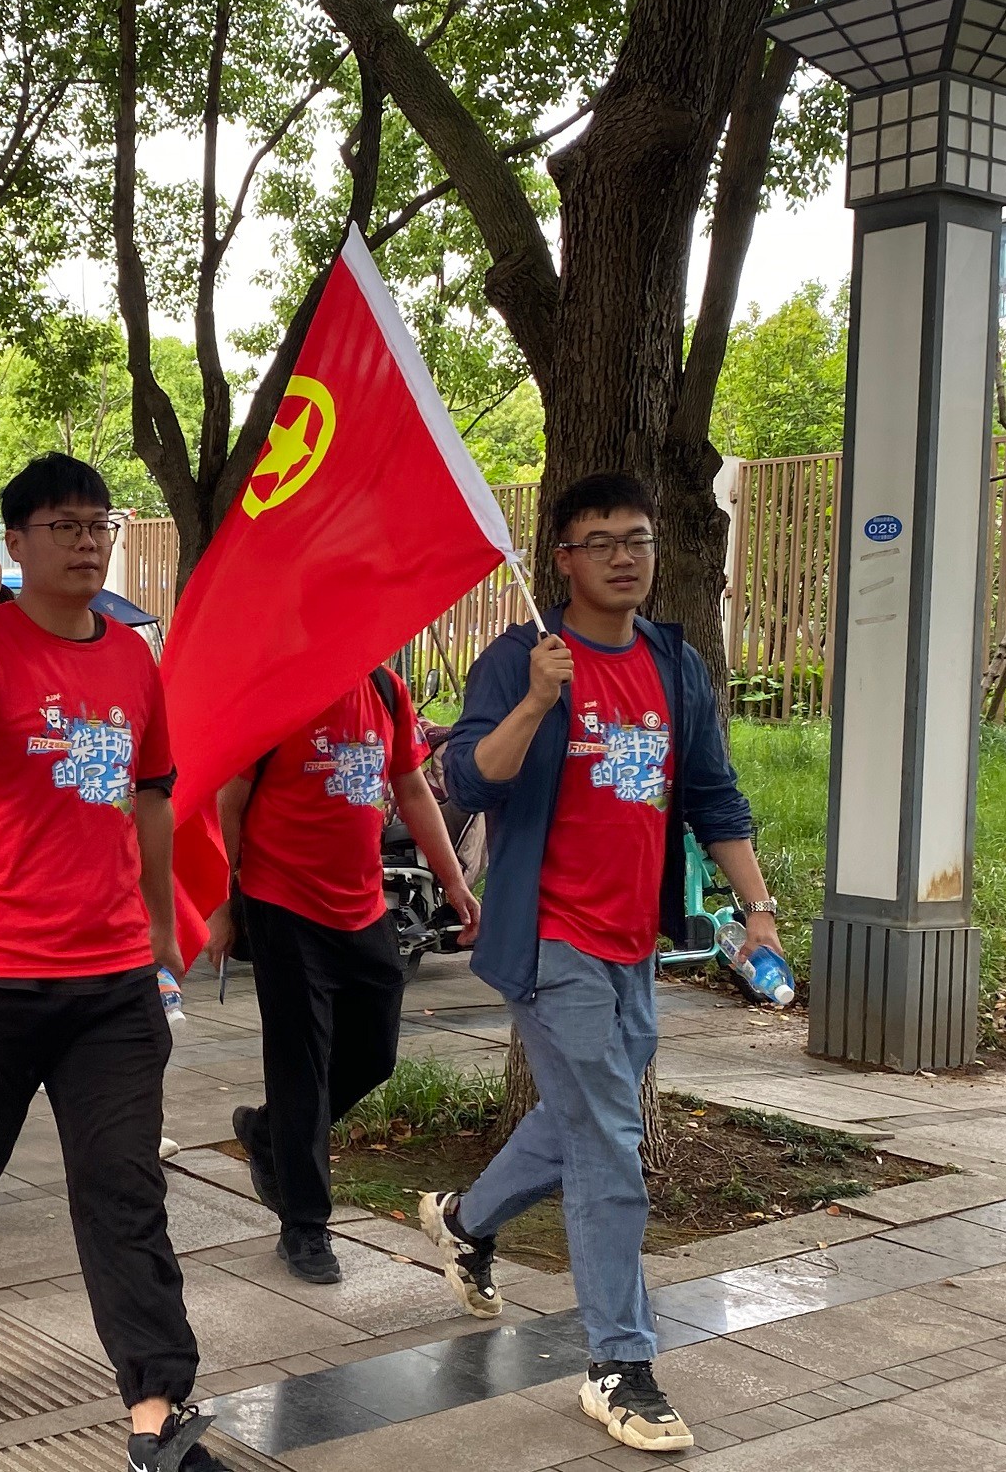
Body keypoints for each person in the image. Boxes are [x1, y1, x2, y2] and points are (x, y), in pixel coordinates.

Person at [0, 454, 228, 1472]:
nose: (86, 541)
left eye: (98, 523)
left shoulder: (128, 655)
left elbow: (154, 793)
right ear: (17, 541)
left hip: (111, 978)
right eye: (64, 525)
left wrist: (163, 926)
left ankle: (155, 1409)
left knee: (124, 1189)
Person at [427, 474, 781, 1454]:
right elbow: (461, 778)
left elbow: (713, 795)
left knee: (579, 1120)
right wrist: (540, 699)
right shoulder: (520, 660)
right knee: (607, 1148)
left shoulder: (671, 663)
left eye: (638, 538)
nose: (624, 556)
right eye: (600, 541)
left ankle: (464, 1221)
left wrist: (755, 915)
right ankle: (617, 1364)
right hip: (551, 942)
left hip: (634, 944)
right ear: (562, 561)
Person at [205, 668, 480, 1284]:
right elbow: (229, 801)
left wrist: (454, 881)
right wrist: (227, 901)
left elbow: (411, 789)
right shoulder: (275, 690)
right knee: (303, 1065)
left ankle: (270, 1132)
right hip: (282, 905)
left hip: (362, 905)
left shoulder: (385, 690)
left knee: (374, 1054)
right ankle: (305, 1227)